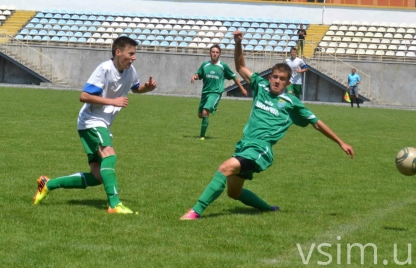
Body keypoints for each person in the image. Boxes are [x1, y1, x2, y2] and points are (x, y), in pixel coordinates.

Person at [179, 31, 354, 220]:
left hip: (261, 149)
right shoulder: (260, 86)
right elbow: (240, 67)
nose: (277, 80)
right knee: (234, 193)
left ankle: (194, 212)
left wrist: (340, 142)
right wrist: (238, 43)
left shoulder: (291, 103)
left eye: (282, 79)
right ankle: (267, 209)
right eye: (275, 77)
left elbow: (317, 123)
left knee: (224, 168)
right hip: (245, 145)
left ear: (288, 83)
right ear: (270, 77)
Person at [33, 36, 157, 214]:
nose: (134, 57)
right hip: (91, 121)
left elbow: (135, 87)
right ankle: (114, 205)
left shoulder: (130, 71)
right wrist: (112, 101)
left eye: (135, 54)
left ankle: (48, 184)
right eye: (131, 53)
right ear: (118, 52)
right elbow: (83, 96)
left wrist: (147, 88)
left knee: (98, 176)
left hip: (102, 124)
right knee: (110, 156)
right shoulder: (104, 69)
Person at [191, 44, 247, 140]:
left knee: (205, 112)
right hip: (205, 93)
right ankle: (213, 107)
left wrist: (242, 88)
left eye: (217, 52)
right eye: (213, 52)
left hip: (216, 92)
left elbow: (234, 77)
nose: (215, 54)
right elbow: (198, 74)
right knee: (200, 115)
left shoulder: (223, 66)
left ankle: (202, 136)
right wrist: (194, 77)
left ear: (219, 54)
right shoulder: (205, 65)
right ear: (210, 53)